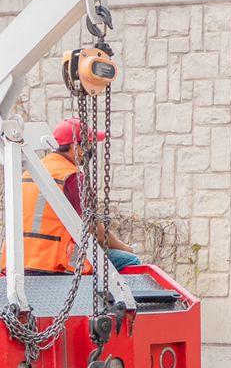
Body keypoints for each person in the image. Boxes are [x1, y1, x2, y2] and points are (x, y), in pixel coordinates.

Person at [10, 117, 138, 275]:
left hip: (21, 261)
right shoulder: (72, 177)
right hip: (53, 261)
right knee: (130, 260)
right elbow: (95, 230)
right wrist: (126, 248)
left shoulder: (32, 170)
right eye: (89, 144)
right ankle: (108, 300)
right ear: (75, 147)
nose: (91, 149)